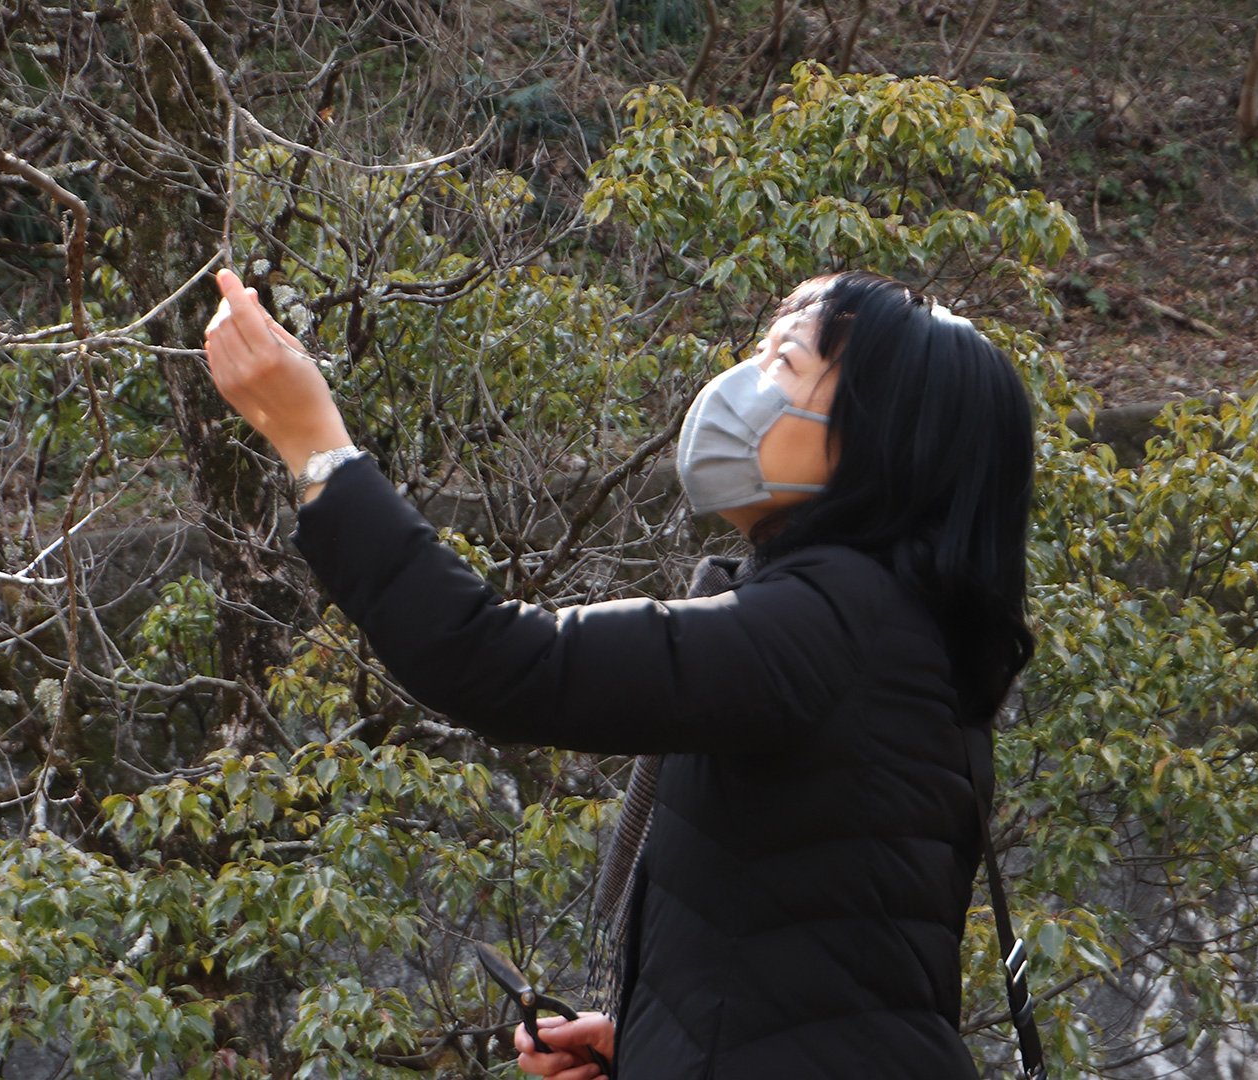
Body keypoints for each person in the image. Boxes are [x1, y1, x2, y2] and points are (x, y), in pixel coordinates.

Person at [202, 266, 1036, 1079]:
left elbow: (497, 661)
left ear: (884, 435)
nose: (740, 385)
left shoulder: (834, 622)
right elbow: (811, 962)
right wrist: (651, 1044)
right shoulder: (886, 629)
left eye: (784, 363)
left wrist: (316, 449)